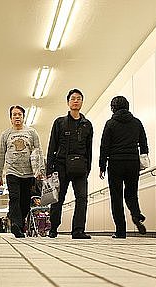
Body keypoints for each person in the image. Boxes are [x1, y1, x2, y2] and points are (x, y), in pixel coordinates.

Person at [46, 88, 94, 239]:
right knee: (58, 198)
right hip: (61, 165)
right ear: (68, 102)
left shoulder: (87, 124)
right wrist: (49, 168)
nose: (75, 101)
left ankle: (78, 230)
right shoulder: (59, 122)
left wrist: (88, 167)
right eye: (73, 98)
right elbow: (52, 145)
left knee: (82, 198)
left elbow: (89, 148)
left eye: (78, 98)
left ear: (82, 102)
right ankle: (53, 228)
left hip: (80, 166)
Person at [99, 95, 149, 238]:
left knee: (116, 197)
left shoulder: (110, 124)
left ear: (113, 108)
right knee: (132, 193)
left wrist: (102, 165)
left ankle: (121, 231)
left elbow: (104, 146)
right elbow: (144, 143)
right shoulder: (136, 122)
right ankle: (136, 213)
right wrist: (143, 156)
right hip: (132, 162)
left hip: (115, 163)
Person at [0, 105, 44, 238]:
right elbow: (1, 155)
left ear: (23, 117)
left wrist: (40, 170)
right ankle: (16, 225)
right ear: (11, 118)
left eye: (19, 114)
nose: (17, 117)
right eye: (14, 115)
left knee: (24, 202)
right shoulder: (6, 134)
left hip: (29, 173)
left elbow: (38, 151)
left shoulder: (32, 133)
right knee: (14, 198)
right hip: (12, 172)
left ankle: (21, 221)